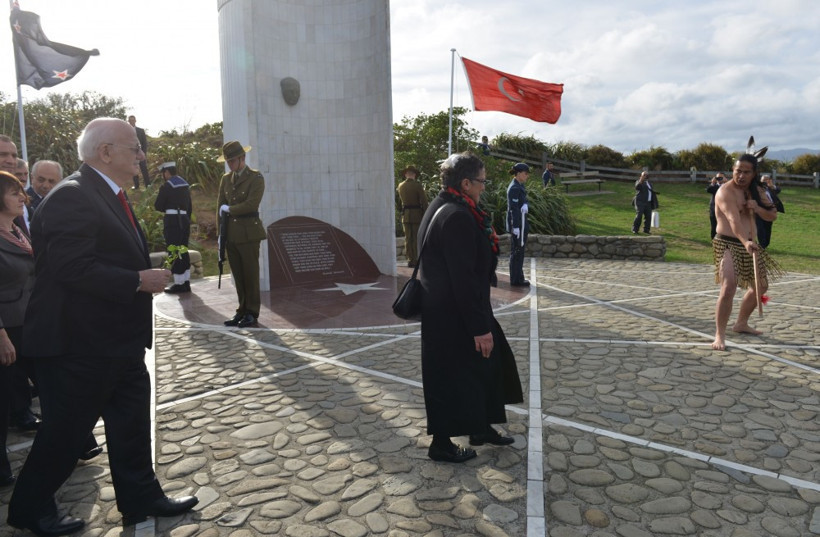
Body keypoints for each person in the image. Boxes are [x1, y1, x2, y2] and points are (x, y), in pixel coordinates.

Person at [7, 118, 198, 535]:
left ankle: (141, 497)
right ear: (105, 152)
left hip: (116, 342)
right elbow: (70, 267)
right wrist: (136, 280)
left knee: (131, 426)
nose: (142, 156)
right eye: (134, 148)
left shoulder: (107, 194)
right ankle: (29, 508)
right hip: (79, 346)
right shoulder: (72, 196)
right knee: (66, 433)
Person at [417, 152, 523, 463]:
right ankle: (441, 443)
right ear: (465, 183)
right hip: (454, 314)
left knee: (485, 367)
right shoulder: (458, 216)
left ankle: (479, 428)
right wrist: (479, 328)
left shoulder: (446, 205)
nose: (483, 187)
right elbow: (461, 278)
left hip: (454, 308)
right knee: (449, 376)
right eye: (481, 181)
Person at [711, 153, 782, 351]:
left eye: (746, 172)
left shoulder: (757, 191)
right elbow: (734, 221)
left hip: (751, 243)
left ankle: (741, 323)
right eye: (737, 171)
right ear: (732, 170)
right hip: (728, 243)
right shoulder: (725, 192)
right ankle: (719, 335)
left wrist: (757, 209)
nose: (741, 175)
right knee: (728, 287)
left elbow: (772, 216)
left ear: (753, 174)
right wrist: (745, 242)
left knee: (761, 287)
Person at [0, 171, 35, 489]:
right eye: (13, 193)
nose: (21, 197)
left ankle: (79, 442)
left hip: (29, 321)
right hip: (6, 327)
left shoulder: (17, 230)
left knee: (51, 383)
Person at [217, 140, 266, 328]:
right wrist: (221, 235)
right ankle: (242, 310)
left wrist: (230, 208)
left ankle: (252, 312)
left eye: (232, 160)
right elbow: (219, 208)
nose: (229, 164)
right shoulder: (225, 179)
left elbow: (251, 205)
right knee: (238, 275)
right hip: (231, 235)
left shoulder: (256, 178)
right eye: (228, 161)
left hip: (249, 234)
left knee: (250, 274)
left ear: (242, 158)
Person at [155, 161, 192, 293]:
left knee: (174, 250)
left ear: (167, 172)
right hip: (184, 220)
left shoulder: (167, 186)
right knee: (183, 250)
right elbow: (189, 207)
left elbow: (158, 206)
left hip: (172, 221)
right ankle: (186, 281)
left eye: (163, 173)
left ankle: (179, 283)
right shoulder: (185, 185)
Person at [396, 164, 428, 267]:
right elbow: (424, 202)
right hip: (416, 215)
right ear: (414, 174)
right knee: (416, 237)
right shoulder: (417, 185)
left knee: (408, 238)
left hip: (405, 215)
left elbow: (399, 203)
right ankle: (417, 260)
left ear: (406, 174)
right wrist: (426, 215)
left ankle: (410, 260)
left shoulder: (400, 186)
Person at [506, 162, 530, 287]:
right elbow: (513, 209)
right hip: (518, 225)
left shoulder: (519, 185)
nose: (527, 176)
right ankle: (516, 279)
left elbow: (523, 199)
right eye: (525, 173)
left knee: (519, 252)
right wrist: (515, 226)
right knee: (516, 252)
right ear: (519, 173)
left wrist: (526, 204)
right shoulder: (514, 187)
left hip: (521, 223)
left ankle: (519, 276)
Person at [755, 174, 782, 249]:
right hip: (759, 212)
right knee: (760, 228)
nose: (764, 182)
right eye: (763, 180)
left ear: (769, 181)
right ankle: (762, 245)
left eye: (766, 180)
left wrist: (771, 185)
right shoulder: (757, 188)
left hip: (770, 212)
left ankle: (766, 244)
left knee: (768, 229)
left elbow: (778, 190)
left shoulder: (771, 188)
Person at [127, 115, 150, 189]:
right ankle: (136, 186)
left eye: (133, 120)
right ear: (128, 121)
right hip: (132, 154)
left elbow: (144, 143)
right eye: (130, 120)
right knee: (134, 170)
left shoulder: (141, 130)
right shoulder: (125, 132)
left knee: (144, 169)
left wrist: (144, 153)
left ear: (135, 121)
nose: (131, 122)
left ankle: (148, 185)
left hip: (141, 154)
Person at [706, 172, 726, 239]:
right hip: (713, 209)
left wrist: (727, 182)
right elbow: (708, 190)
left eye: (721, 178)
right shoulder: (714, 186)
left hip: (724, 210)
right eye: (718, 178)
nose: (719, 179)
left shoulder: (727, 186)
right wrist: (713, 182)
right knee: (714, 226)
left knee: (724, 227)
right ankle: (714, 241)